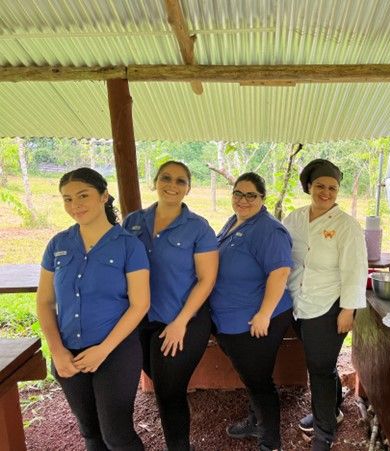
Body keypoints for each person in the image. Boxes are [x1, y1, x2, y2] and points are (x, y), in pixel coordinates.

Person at [36, 167, 150, 450]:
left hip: (116, 351)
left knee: (117, 436)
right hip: (68, 353)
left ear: (103, 196)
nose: (75, 205)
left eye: (83, 195)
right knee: (90, 433)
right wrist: (57, 351)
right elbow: (45, 301)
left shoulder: (128, 245)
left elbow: (140, 304)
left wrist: (103, 350)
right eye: (67, 199)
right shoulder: (58, 244)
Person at [123, 161, 218, 451]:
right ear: (155, 181)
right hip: (141, 319)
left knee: (169, 393)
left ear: (188, 188)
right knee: (160, 380)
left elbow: (206, 279)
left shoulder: (198, 228)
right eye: (166, 178)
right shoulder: (133, 221)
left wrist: (180, 322)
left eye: (180, 181)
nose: (172, 185)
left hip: (182, 319)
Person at [283, 159, 368, 451]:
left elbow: (355, 269)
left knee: (318, 369)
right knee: (323, 363)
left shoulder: (346, 225)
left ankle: (324, 433)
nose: (326, 192)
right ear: (309, 186)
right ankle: (333, 410)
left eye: (332, 188)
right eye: (320, 186)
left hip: (330, 306)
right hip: (298, 302)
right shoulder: (294, 219)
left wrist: (348, 310)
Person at [209, 172, 294, 451]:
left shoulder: (269, 230)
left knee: (258, 380)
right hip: (230, 319)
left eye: (251, 195)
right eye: (238, 193)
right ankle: (256, 421)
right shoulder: (235, 221)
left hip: (256, 319)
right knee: (249, 375)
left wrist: (264, 314)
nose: (243, 200)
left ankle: (271, 441)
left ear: (262, 198)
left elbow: (280, 273)